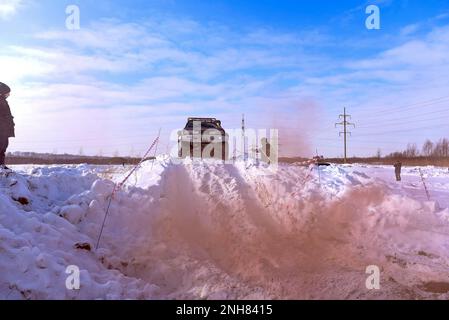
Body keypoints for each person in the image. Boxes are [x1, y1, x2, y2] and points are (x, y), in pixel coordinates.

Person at [0, 82, 14, 170]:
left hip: (4, 130)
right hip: (1, 129)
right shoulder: (1, 101)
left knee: (3, 147)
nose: (8, 95)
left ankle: (1, 166)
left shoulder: (3, 101)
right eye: (7, 93)